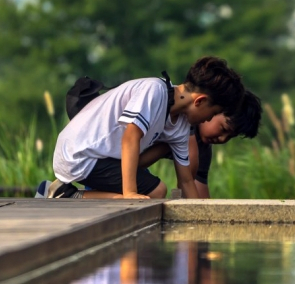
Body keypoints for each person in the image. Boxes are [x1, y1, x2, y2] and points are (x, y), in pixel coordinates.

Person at [45, 56, 245, 199]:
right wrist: (130, 193)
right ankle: (68, 195)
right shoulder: (154, 90)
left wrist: (201, 216)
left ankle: (66, 193)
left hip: (102, 157)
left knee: (155, 191)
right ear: (200, 100)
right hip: (79, 152)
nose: (206, 120)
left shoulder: (181, 126)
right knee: (155, 191)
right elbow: (130, 138)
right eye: (211, 114)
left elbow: (186, 181)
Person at [138, 90, 262, 198]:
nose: (222, 139)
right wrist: (167, 145)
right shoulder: (178, 115)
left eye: (230, 137)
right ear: (215, 109)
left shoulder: (202, 148)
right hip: (122, 160)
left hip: (135, 168)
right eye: (223, 129)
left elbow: (199, 195)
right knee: (156, 191)